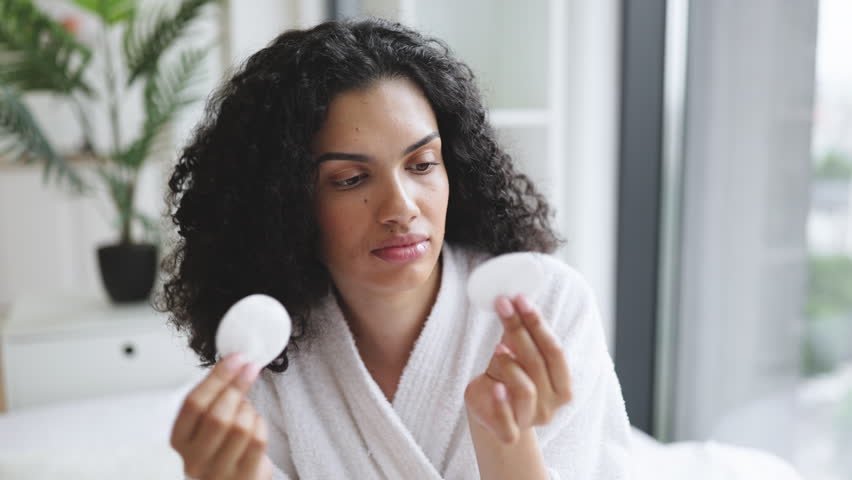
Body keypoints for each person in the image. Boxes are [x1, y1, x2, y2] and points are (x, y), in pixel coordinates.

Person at [156, 17, 632, 480]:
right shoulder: (268, 350)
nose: (401, 208)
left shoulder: (548, 306)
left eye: (422, 164)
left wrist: (504, 437)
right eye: (351, 179)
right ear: (285, 202)